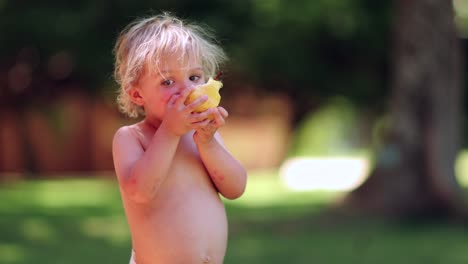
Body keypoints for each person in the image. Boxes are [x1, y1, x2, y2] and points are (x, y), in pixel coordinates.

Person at [111, 12, 247, 264]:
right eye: (168, 81)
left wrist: (207, 143)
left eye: (194, 77)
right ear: (137, 95)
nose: (187, 89)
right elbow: (140, 191)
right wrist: (170, 132)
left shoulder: (203, 136)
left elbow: (236, 188)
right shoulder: (132, 138)